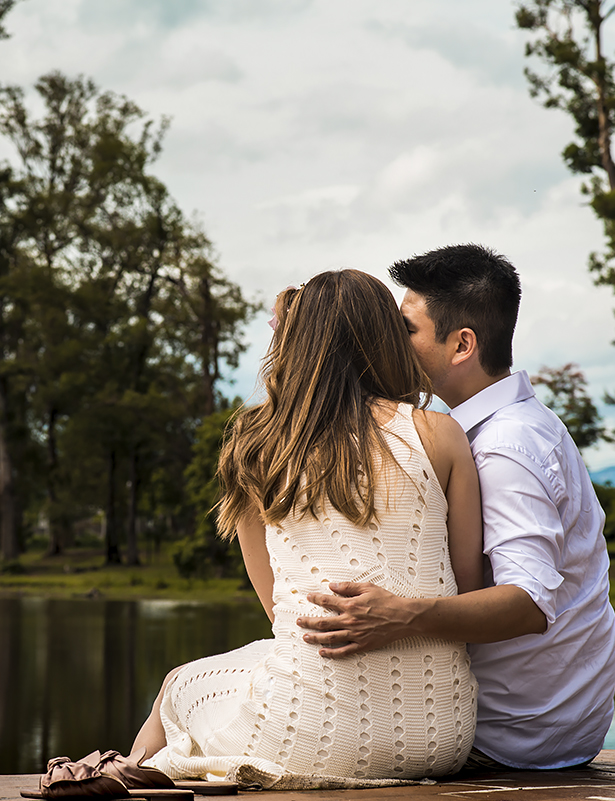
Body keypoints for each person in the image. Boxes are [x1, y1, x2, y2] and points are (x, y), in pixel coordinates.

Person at [132, 269, 485, 788]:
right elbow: (469, 593)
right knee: (251, 663)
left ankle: (128, 773)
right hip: (441, 738)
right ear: (385, 339)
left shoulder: (257, 444)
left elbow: (279, 610)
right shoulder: (442, 433)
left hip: (305, 735)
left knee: (177, 685)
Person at [297, 244, 615, 771]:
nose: (390, 343)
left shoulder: (504, 448)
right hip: (550, 724)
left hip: (511, 735)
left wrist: (400, 615)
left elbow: (529, 603)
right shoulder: (512, 426)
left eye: (406, 330)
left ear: (462, 344)